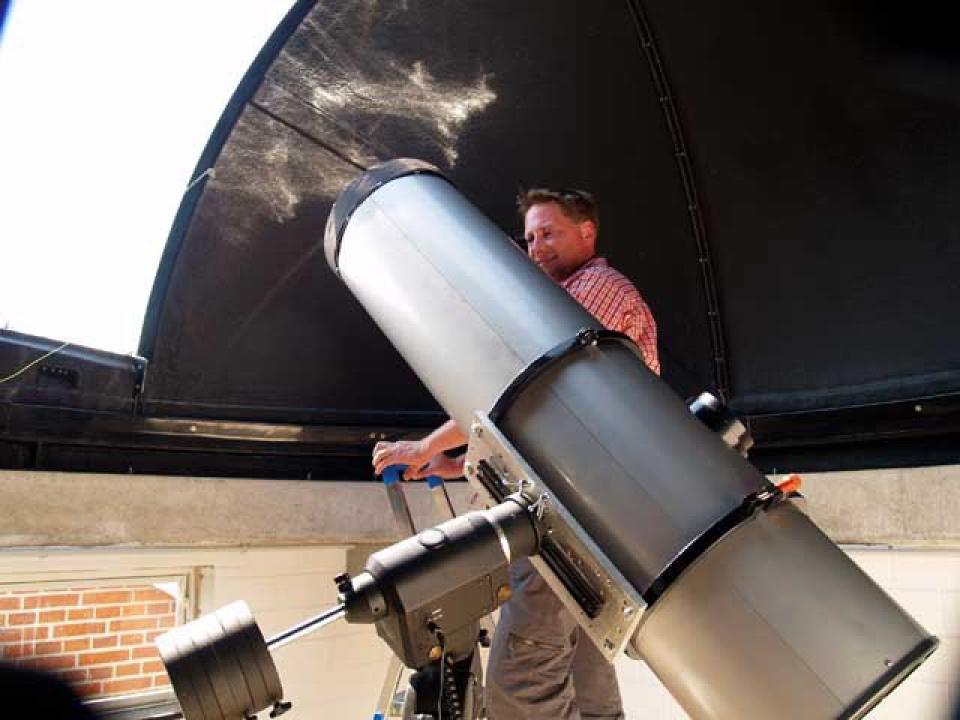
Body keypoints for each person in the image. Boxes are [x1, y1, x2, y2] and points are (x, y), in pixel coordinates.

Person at [372, 187, 659, 719]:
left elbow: (525, 387)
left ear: (587, 232)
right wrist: (454, 463)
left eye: (548, 232)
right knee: (584, 675)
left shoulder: (596, 289)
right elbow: (545, 427)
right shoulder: (566, 300)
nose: (536, 247)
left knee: (521, 688)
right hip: (594, 514)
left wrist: (426, 445)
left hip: (573, 517)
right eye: (529, 238)